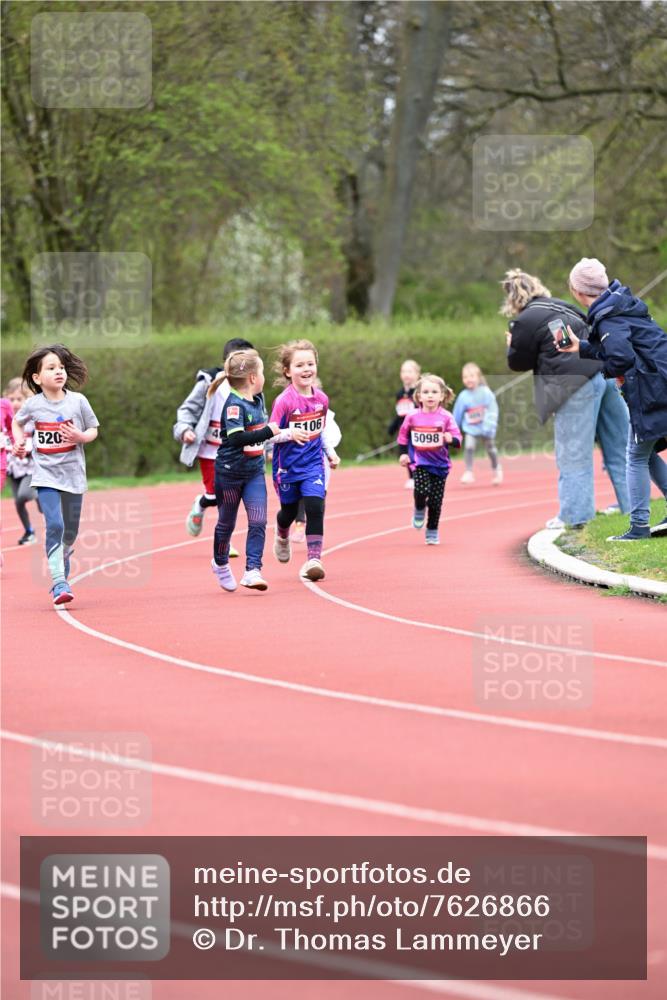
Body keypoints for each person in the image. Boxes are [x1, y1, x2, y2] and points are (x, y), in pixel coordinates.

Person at [503, 268, 630, 528]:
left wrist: (510, 345)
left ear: (513, 300)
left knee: (574, 453)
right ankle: (634, 508)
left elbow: (518, 362)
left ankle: (575, 516)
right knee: (620, 447)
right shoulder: (563, 305)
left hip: (573, 385)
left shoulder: (525, 320)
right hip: (603, 375)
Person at [560, 258, 667, 541]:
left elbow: (620, 357)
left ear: (578, 290)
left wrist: (610, 372)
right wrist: (581, 347)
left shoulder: (608, 316)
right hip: (658, 382)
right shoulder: (620, 305)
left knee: (635, 455)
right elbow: (621, 346)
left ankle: (639, 528)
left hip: (650, 388)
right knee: (646, 449)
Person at [210, 349, 308, 593]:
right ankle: (220, 563)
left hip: (254, 472)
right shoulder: (233, 406)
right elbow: (237, 439)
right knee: (226, 522)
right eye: (262, 372)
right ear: (253, 378)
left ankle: (253, 570)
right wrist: (271, 431)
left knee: (258, 520)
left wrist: (286, 434)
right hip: (229, 473)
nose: (264, 377)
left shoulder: (259, 399)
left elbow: (264, 432)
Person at [12, 345, 99, 606]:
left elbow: (93, 429)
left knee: (70, 533)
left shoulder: (78, 401)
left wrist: (80, 436)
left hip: (73, 476)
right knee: (55, 525)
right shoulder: (34, 405)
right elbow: (18, 422)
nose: (59, 371)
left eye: (61, 367)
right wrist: (19, 443)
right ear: (37, 378)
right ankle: (59, 581)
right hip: (45, 476)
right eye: (51, 368)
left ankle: (61, 558)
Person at [174, 337, 254, 552]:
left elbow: (259, 420)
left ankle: (220, 531)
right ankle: (204, 506)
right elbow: (187, 409)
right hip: (210, 451)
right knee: (218, 496)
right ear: (226, 363)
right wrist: (185, 429)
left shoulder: (253, 387)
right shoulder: (210, 382)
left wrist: (267, 448)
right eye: (238, 363)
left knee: (231, 497)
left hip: (235, 452)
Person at [270, 339, 340, 581]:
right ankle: (281, 534)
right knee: (288, 512)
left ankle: (313, 559)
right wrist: (290, 433)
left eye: (311, 363)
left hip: (313, 465)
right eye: (300, 365)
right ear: (288, 371)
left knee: (315, 507)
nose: (307, 369)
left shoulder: (321, 399)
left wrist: (330, 452)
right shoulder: (284, 401)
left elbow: (318, 433)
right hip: (287, 467)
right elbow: (269, 436)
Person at [397, 374, 461, 545]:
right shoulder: (412, 416)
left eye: (434, 392)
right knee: (421, 490)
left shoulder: (446, 417)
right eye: (425, 392)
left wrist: (450, 439)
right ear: (418, 396)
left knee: (435, 501)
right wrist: (403, 453)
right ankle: (419, 507)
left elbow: (458, 438)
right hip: (420, 462)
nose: (430, 395)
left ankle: (432, 529)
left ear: (442, 395)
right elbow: (403, 436)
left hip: (440, 466)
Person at [291, 391, 342, 544]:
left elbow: (334, 437)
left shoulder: (327, 416)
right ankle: (299, 525)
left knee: (318, 499)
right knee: (298, 494)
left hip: (320, 463)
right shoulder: (291, 410)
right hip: (298, 460)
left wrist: (331, 454)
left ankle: (315, 533)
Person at [3, 377, 40, 544]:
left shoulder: (30, 419)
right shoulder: (4, 420)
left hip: (31, 467)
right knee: (18, 502)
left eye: (19, 399)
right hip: (12, 467)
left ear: (27, 400)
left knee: (23, 496)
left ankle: (41, 493)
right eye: (11, 399)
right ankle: (29, 532)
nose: (15, 403)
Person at [453, 362, 502, 485]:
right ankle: (469, 472)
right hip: (471, 428)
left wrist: (490, 425)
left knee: (491, 449)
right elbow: (457, 413)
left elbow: (492, 409)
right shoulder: (463, 396)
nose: (468, 379)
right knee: (469, 447)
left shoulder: (486, 392)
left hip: (486, 428)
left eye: (471, 376)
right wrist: (453, 429)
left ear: (478, 377)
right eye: (465, 377)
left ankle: (496, 469)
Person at [388, 359, 421, 490]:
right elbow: (400, 413)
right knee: (406, 453)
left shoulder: (420, 392)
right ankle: (412, 477)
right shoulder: (400, 394)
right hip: (404, 430)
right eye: (404, 371)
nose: (406, 374)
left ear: (417, 374)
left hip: (418, 429)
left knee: (418, 454)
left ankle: (421, 475)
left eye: (410, 371)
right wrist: (393, 426)